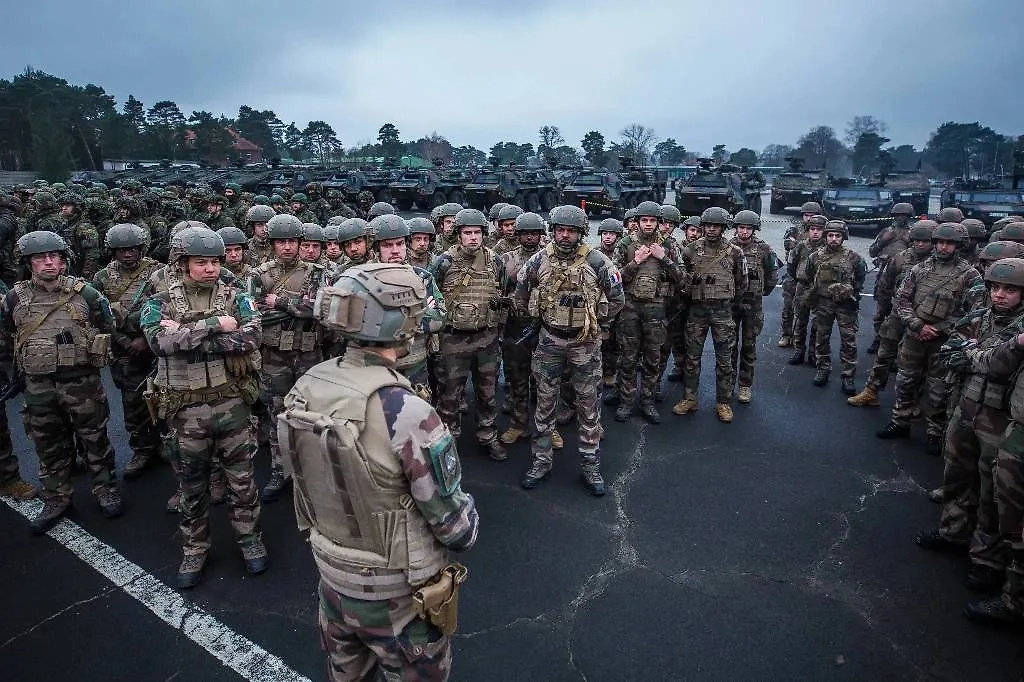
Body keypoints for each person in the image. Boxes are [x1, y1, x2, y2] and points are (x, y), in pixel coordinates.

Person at [282, 262, 478, 681]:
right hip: (398, 599)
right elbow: (457, 530)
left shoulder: (308, 385)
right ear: (402, 323)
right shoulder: (406, 412)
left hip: (333, 581)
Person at [140, 226, 267, 588]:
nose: (210, 269)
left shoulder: (237, 296)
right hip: (185, 411)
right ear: (182, 264)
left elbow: (253, 336)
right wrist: (215, 325)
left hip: (232, 405)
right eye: (201, 262)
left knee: (242, 482)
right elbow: (158, 343)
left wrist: (189, 334)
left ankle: (250, 539)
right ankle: (195, 547)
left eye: (214, 261)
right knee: (191, 486)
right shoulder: (160, 301)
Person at [0, 231, 121, 533]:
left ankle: (104, 488)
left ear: (64, 260)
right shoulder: (15, 297)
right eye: (41, 258)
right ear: (29, 263)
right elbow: (6, 336)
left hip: (81, 382)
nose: (49, 262)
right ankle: (57, 497)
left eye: (54, 256)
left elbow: (107, 324)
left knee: (94, 439)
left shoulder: (86, 293)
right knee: (48, 444)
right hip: (38, 385)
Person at [514, 206, 624, 494]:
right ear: (553, 230)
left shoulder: (599, 262)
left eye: (571, 230)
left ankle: (591, 466)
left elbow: (617, 298)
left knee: (588, 407)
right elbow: (521, 294)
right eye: (560, 229)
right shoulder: (539, 260)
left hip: (584, 344)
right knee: (545, 404)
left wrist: (595, 325)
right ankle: (540, 462)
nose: (565, 235)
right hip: (549, 341)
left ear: (581, 233)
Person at [877, 223, 983, 454]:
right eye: (940, 242)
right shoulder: (919, 269)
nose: (944, 247)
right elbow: (902, 300)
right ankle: (900, 421)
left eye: (950, 243)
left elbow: (975, 311)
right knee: (906, 381)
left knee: (939, 389)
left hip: (944, 340)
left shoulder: (969, 275)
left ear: (959, 246)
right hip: (915, 335)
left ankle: (935, 433)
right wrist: (917, 325)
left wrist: (942, 328)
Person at [248, 214, 325, 501]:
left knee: (310, 414)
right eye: (281, 241)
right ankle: (281, 470)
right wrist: (298, 306)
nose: (287, 247)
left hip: (308, 355)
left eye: (292, 241)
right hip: (274, 356)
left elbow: (316, 309)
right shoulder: (259, 274)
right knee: (277, 415)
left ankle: (312, 471)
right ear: (272, 243)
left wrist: (278, 302)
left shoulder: (317, 273)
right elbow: (254, 314)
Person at [429, 208, 508, 461]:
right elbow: (433, 298)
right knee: (449, 394)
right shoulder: (444, 262)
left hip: (486, 338)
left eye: (477, 232)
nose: (473, 237)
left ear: (484, 234)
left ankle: (488, 435)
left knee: (487, 393)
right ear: (458, 235)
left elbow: (502, 293)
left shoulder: (496, 262)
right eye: (467, 233)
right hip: (453, 340)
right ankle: (448, 442)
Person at [92, 223, 164, 478]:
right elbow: (98, 316)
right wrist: (123, 342)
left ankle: (165, 442)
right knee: (133, 402)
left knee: (165, 397)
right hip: (124, 351)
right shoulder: (102, 277)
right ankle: (142, 448)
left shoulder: (158, 273)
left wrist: (147, 339)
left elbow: (168, 309)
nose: (127, 254)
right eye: (121, 250)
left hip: (156, 346)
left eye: (133, 249)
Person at [608, 201, 685, 424]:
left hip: (656, 309)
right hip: (630, 308)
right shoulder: (625, 244)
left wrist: (664, 258)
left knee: (653, 358)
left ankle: (647, 402)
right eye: (645, 220)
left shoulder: (669, 244)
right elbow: (613, 280)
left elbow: (683, 279)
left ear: (659, 222)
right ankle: (625, 402)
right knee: (628, 358)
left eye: (653, 220)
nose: (649, 224)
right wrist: (635, 262)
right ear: (638, 222)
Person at [848, 221, 938, 407]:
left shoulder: (938, 265)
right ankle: (871, 390)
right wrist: (886, 308)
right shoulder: (900, 258)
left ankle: (912, 402)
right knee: (884, 353)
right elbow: (886, 284)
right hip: (898, 313)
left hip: (924, 318)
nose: (920, 244)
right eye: (917, 240)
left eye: (926, 241)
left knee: (918, 364)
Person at [673, 207, 747, 422]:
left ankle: (723, 402)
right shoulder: (690, 250)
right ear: (702, 226)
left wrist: (728, 302)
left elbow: (742, 283)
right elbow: (682, 279)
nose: (712, 229)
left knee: (725, 360)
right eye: (708, 225)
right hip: (697, 311)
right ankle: (690, 398)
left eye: (716, 226)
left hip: (723, 312)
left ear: (723, 227)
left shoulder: (735, 252)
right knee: (692, 357)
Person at [802, 220, 867, 394]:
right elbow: (808, 276)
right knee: (821, 338)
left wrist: (850, 290)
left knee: (849, 341)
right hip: (823, 303)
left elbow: (861, 275)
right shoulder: (815, 257)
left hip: (845, 305)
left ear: (843, 237)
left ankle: (848, 376)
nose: (834, 239)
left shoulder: (853, 257)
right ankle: (823, 369)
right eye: (830, 235)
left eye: (838, 236)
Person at [729, 209, 780, 403]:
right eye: (741, 227)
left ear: (754, 229)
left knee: (749, 346)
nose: (744, 231)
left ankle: (745, 385)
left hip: (753, 304)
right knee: (729, 346)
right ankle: (728, 382)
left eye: (748, 228)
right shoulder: (729, 246)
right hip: (732, 303)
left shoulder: (764, 249)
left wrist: (763, 292)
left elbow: (772, 274)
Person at [866, 203, 915, 353]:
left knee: (901, 311)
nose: (901, 218)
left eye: (904, 215)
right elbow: (872, 252)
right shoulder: (886, 231)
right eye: (898, 215)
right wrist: (883, 241)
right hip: (884, 275)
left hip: (905, 278)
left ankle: (897, 343)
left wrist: (909, 241)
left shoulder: (913, 233)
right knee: (882, 310)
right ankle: (878, 338)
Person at [778, 201, 821, 347]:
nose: (809, 219)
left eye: (812, 215)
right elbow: (788, 245)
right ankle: (786, 334)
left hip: (816, 277)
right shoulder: (794, 230)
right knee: (788, 306)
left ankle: (808, 341)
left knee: (816, 311)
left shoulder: (823, 232)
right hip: (794, 273)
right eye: (806, 215)